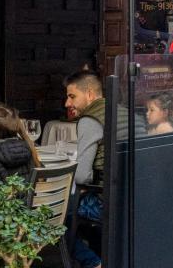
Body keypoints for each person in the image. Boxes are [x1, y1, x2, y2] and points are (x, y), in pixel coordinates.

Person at [64, 70, 105, 268]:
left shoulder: (90, 119)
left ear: (89, 94)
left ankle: (94, 263)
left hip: (105, 203)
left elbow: (81, 176)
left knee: (57, 216)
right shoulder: (123, 110)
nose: (67, 103)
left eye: (72, 96)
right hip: (133, 197)